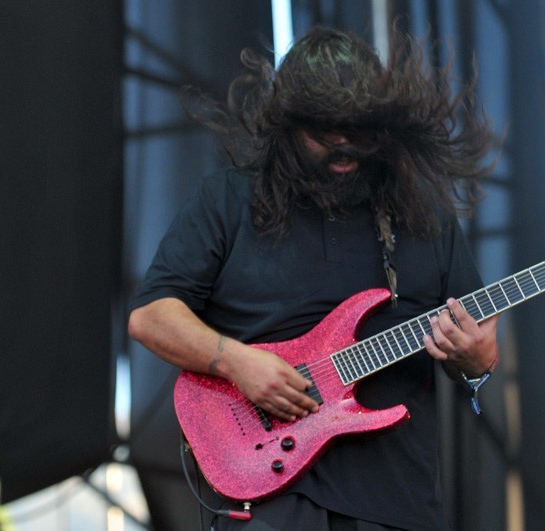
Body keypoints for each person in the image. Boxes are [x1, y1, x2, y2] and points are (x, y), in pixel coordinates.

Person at [128, 26, 499, 531]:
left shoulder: (423, 216)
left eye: (360, 129)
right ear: (288, 124)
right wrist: (239, 363)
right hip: (269, 499)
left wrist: (475, 360)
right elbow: (151, 317)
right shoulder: (228, 201)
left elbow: (478, 347)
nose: (344, 146)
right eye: (325, 131)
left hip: (397, 500)